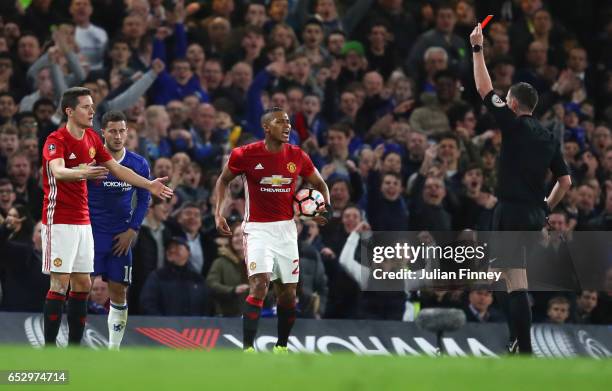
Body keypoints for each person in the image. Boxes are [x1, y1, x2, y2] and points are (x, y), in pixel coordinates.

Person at [41, 87, 173, 348]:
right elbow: (57, 171)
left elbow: (116, 168)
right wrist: (83, 173)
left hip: (83, 224)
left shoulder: (91, 139)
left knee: (82, 285)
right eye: (86, 106)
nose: (92, 111)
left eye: (92, 106)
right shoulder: (56, 139)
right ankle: (48, 349)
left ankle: (75, 350)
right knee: (59, 284)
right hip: (60, 220)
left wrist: (148, 185)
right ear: (70, 111)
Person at [470, 23, 572, 354]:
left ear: (513, 104)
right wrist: (545, 208)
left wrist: (477, 49)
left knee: (515, 282)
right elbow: (565, 181)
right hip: (531, 213)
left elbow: (485, 89)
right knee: (502, 277)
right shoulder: (547, 137)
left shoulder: (513, 125)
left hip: (511, 211)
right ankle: (517, 342)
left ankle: (523, 349)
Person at [214, 107, 330, 352]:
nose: (287, 126)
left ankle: (281, 347)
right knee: (260, 284)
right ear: (266, 127)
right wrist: (218, 212)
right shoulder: (244, 154)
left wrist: (323, 209)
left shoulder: (298, 155)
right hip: (257, 229)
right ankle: (247, 349)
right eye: (280, 122)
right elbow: (223, 180)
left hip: (287, 230)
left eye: (288, 122)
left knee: (287, 294)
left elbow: (319, 183)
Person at [87, 110, 151, 350]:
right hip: (92, 235)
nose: (117, 136)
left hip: (120, 237)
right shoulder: (91, 160)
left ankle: (113, 351)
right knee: (81, 288)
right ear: (102, 132)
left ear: (127, 132)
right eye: (112, 131)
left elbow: (144, 199)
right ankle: (72, 341)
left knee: (118, 291)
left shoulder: (138, 163)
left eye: (122, 131)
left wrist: (132, 230)